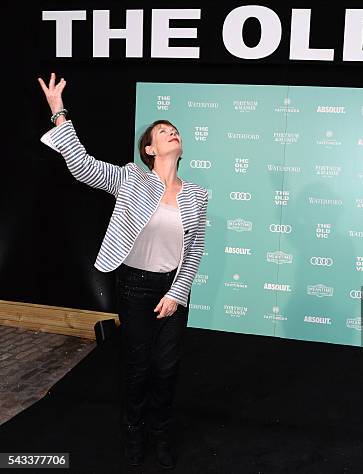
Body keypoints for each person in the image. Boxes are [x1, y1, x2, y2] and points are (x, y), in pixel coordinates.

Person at [37, 72, 209, 469]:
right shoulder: (131, 179)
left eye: (174, 130)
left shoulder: (198, 194)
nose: (170, 133)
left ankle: (161, 433)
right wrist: (57, 111)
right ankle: (133, 432)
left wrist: (176, 293)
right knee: (137, 368)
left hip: (173, 290)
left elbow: (195, 249)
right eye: (162, 131)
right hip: (133, 286)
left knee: (166, 369)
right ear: (149, 147)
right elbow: (81, 165)